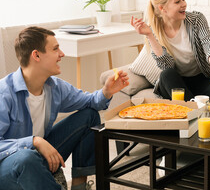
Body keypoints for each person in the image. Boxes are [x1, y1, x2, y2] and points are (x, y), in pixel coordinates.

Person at [0, 27, 129, 190]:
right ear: (36, 55)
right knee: (26, 157)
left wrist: (107, 91)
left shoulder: (54, 86)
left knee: (89, 116)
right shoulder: (4, 93)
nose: (61, 54)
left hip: (37, 156)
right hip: (10, 167)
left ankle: (79, 186)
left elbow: (90, 102)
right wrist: (33, 141)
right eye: (55, 49)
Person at [131, 0, 210, 101]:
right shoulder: (154, 30)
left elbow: (209, 46)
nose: (184, 4)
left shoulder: (196, 20)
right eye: (177, 1)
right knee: (166, 74)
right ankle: (194, 109)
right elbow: (167, 65)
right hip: (175, 83)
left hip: (200, 79)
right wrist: (149, 35)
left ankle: (188, 107)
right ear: (162, 8)